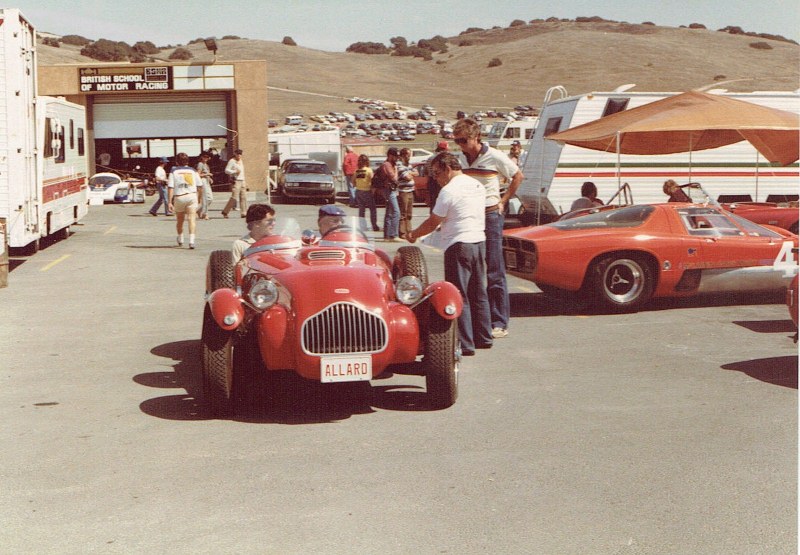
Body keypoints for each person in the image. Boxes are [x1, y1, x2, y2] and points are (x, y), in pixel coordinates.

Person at [407, 152, 492, 356]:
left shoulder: (448, 191)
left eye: (436, 173)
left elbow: (433, 221)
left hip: (459, 244)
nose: (435, 178)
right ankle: (484, 336)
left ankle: (465, 343)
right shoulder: (477, 185)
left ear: (447, 168)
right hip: (479, 241)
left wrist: (414, 234)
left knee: (458, 294)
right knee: (479, 292)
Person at [454, 118, 522, 339]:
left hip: (491, 214)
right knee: (472, 268)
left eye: (464, 140)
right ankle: (477, 320)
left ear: (477, 137)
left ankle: (499, 321)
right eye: (457, 141)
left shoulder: (494, 156)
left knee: (494, 268)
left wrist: (504, 200)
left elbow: (517, 175)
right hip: (469, 217)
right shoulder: (459, 160)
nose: (461, 145)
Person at [167, 152, 202, 249]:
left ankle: (180, 237)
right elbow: (200, 186)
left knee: (180, 219)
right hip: (192, 196)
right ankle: (191, 241)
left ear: (177, 162)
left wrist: (170, 202)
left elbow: (170, 187)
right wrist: (199, 198)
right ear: (188, 161)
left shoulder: (173, 171)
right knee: (192, 219)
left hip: (179, 196)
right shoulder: (193, 171)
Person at [380, 147, 401, 242]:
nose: (397, 158)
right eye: (395, 156)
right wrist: (396, 169)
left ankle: (387, 236)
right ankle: (393, 235)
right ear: (390, 156)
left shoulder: (389, 164)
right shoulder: (387, 164)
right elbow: (394, 178)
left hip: (390, 189)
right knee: (396, 212)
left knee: (389, 213)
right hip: (388, 190)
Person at [397, 147, 418, 239]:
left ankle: (409, 231)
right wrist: (411, 173)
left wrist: (410, 173)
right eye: (407, 155)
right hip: (403, 192)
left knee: (409, 213)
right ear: (402, 155)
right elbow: (407, 177)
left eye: (409, 155)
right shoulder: (399, 165)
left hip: (410, 191)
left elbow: (416, 173)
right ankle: (402, 232)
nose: (409, 157)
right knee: (403, 213)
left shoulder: (409, 165)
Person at [354, 154, 379, 231]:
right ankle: (374, 225)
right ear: (367, 161)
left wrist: (358, 185)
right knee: (372, 209)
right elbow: (373, 180)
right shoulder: (369, 170)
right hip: (367, 191)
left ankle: (362, 226)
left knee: (361, 209)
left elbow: (352, 181)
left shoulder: (357, 171)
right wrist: (373, 190)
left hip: (358, 191)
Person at [221, 149, 247, 218]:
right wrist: (234, 171)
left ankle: (244, 213)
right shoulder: (232, 161)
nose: (239, 155)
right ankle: (225, 211)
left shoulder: (241, 160)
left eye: (240, 154)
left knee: (243, 197)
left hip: (242, 180)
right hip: (236, 180)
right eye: (238, 154)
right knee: (234, 197)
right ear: (235, 154)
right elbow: (226, 170)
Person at [425, 140, 449, 211]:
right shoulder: (444, 158)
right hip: (440, 182)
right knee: (443, 203)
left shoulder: (430, 158)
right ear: (444, 149)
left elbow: (426, 173)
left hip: (431, 182)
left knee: (433, 205)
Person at [196, 152, 214, 220]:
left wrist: (209, 178)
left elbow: (207, 173)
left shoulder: (206, 165)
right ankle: (205, 214)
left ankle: (199, 210)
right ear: (201, 157)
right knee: (206, 198)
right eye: (204, 157)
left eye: (207, 157)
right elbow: (198, 174)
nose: (206, 158)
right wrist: (207, 175)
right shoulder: (200, 164)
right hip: (202, 181)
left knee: (210, 198)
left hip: (206, 181)